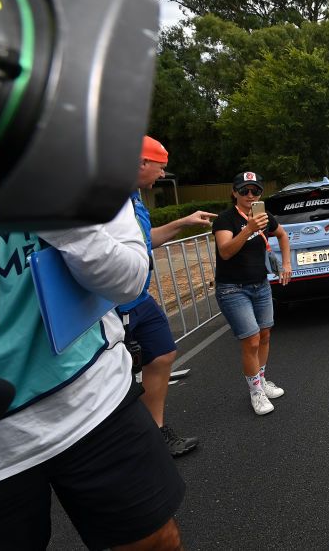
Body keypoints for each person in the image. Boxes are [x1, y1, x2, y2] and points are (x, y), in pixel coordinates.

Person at [0, 203, 186, 549]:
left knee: (157, 541)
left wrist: (52, 205)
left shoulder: (81, 154)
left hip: (94, 397)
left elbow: (131, 280)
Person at [117, 135, 215, 457]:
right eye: (161, 168)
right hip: (110, 307)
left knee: (162, 354)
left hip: (140, 298)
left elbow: (147, 241)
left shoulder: (135, 198)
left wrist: (183, 222)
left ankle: (155, 431)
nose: (162, 175)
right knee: (110, 378)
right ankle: (121, 446)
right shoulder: (106, 201)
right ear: (142, 162)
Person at [212, 172, 292, 416]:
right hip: (232, 289)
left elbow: (283, 235)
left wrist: (286, 264)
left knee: (265, 335)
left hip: (260, 285)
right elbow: (225, 252)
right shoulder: (225, 220)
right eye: (244, 190)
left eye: (255, 191)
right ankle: (255, 392)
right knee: (251, 339)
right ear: (234, 192)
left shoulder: (264, 217)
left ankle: (262, 380)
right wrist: (248, 230)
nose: (250, 195)